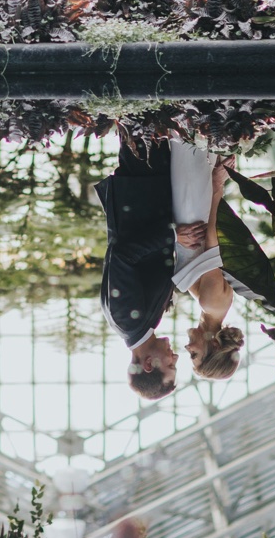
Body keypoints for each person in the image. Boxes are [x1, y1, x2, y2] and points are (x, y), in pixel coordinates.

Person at [96, 133, 179, 400]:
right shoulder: (142, 324)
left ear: (148, 365)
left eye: (170, 365)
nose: (175, 356)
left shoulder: (126, 319)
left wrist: (176, 235)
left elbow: (121, 255)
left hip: (142, 191)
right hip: (146, 193)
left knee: (141, 119)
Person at [168, 139, 247, 381]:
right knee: (188, 143)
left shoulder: (210, 308)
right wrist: (216, 187)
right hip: (194, 210)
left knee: (192, 143)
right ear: (212, 349)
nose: (187, 350)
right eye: (195, 356)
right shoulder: (212, 304)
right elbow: (212, 241)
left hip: (190, 213)